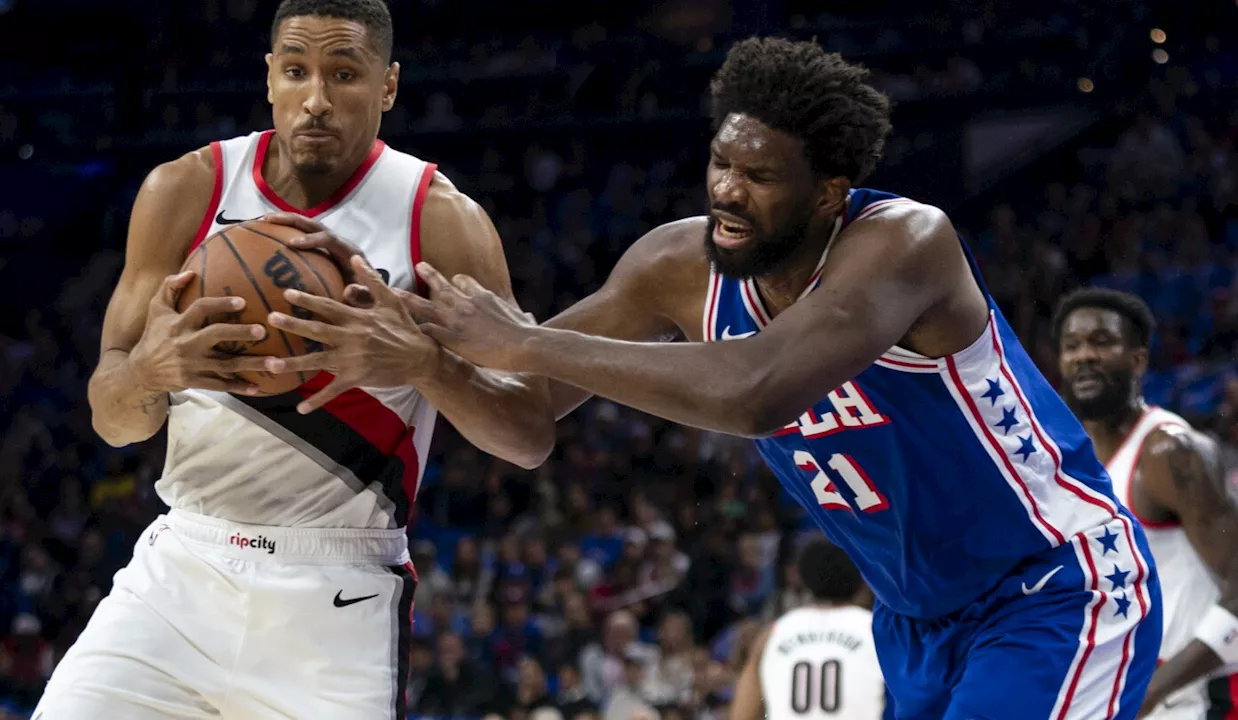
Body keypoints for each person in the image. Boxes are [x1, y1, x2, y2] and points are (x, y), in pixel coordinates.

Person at [286, 37, 1164, 718]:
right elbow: (524, 428)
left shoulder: (906, 243)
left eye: (759, 176)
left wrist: (525, 343)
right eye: (721, 164)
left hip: (1052, 583)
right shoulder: (675, 266)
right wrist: (426, 364)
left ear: (828, 192)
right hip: (915, 624)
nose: (728, 193)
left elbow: (756, 392)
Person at [34, 1, 552, 718]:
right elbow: (114, 419)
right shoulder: (186, 190)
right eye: (297, 71)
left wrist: (426, 365)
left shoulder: (437, 220)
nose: (316, 100)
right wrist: (151, 372)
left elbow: (528, 435)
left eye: (344, 74)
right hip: (182, 570)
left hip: (338, 596)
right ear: (269, 77)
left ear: (389, 86)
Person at [1055, 288, 1238, 719]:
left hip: (1207, 696)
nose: (1084, 355)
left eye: (1101, 342)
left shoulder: (1171, 452)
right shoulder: (1070, 463)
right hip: (1131, 694)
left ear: (1138, 359)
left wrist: (1152, 689)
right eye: (1072, 346)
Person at [730, 539, 885, 720]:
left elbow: (742, 715)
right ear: (861, 580)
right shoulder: (877, 630)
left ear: (804, 579)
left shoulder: (773, 633)